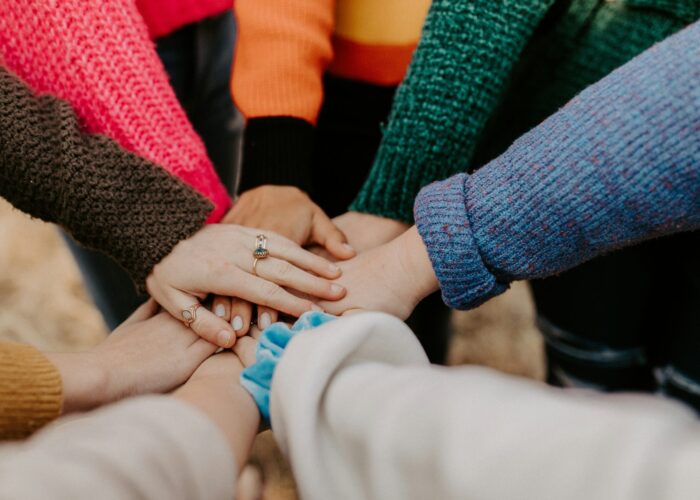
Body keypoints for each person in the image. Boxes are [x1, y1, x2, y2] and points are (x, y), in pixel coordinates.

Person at [317, 20, 700, 408]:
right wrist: (392, 209)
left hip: (583, 163)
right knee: (590, 377)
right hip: (576, 170)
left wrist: (413, 253)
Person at [0, 66, 344, 349]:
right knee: (169, 346)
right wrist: (147, 220)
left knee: (223, 280)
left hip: (217, 25)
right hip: (80, 77)